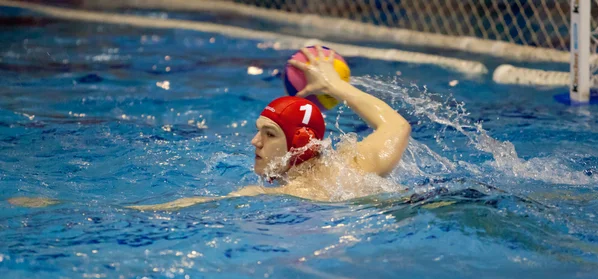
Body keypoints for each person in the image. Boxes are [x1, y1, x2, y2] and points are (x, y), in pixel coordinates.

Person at [7, 46, 411, 210]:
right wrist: (338, 87)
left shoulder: (294, 196)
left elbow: (177, 209)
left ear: (300, 143)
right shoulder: (355, 163)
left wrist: (62, 207)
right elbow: (396, 123)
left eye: (270, 134)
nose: (254, 141)